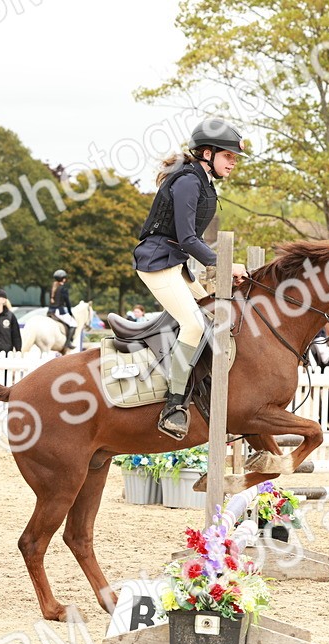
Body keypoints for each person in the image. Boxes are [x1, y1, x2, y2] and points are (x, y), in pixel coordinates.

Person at [133, 117, 247, 439]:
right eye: (229, 156)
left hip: (175, 263)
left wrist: (219, 267)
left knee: (210, 311)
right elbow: (187, 238)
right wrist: (224, 265)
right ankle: (173, 405)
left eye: (234, 158)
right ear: (207, 153)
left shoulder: (203, 180)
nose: (233, 163)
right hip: (157, 262)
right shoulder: (188, 181)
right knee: (194, 324)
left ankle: (201, 386)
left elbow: (189, 242)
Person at [48, 270, 77, 351]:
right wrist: (70, 313)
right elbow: (67, 303)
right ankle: (68, 343)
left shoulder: (53, 287)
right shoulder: (63, 289)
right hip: (59, 311)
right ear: (63, 279)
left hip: (50, 311)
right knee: (74, 324)